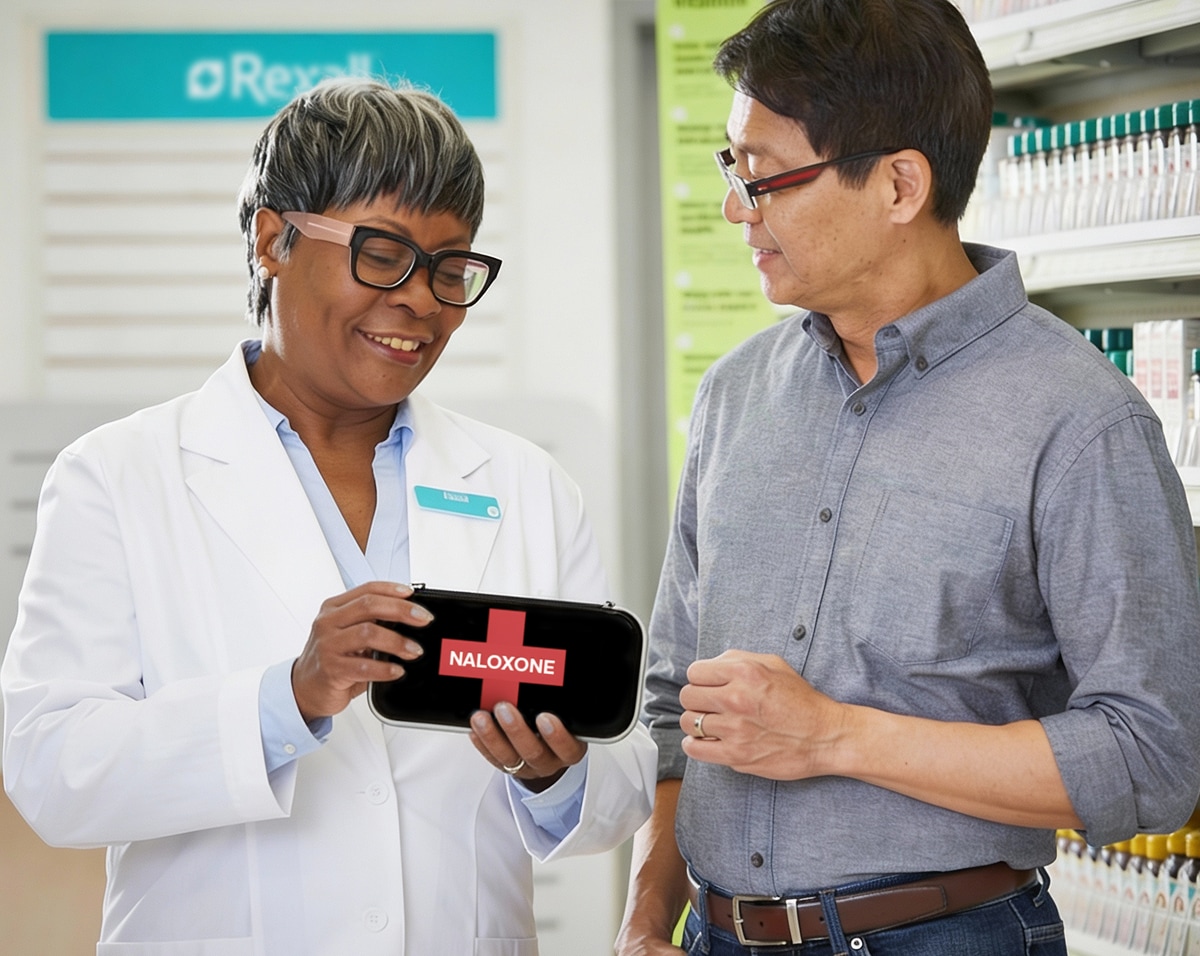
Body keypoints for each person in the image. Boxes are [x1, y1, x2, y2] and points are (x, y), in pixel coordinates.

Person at [2, 77, 655, 955]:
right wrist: (290, 697)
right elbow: (52, 771)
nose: (422, 300)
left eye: (450, 268)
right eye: (382, 254)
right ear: (273, 239)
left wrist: (555, 775)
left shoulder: (527, 485)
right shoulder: (119, 477)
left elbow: (615, 790)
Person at [615, 1, 1200, 954]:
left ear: (898, 185)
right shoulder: (735, 396)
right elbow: (681, 706)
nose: (736, 208)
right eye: (734, 170)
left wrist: (835, 736)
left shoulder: (1081, 421)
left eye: (763, 177)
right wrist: (647, 918)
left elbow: (1152, 754)